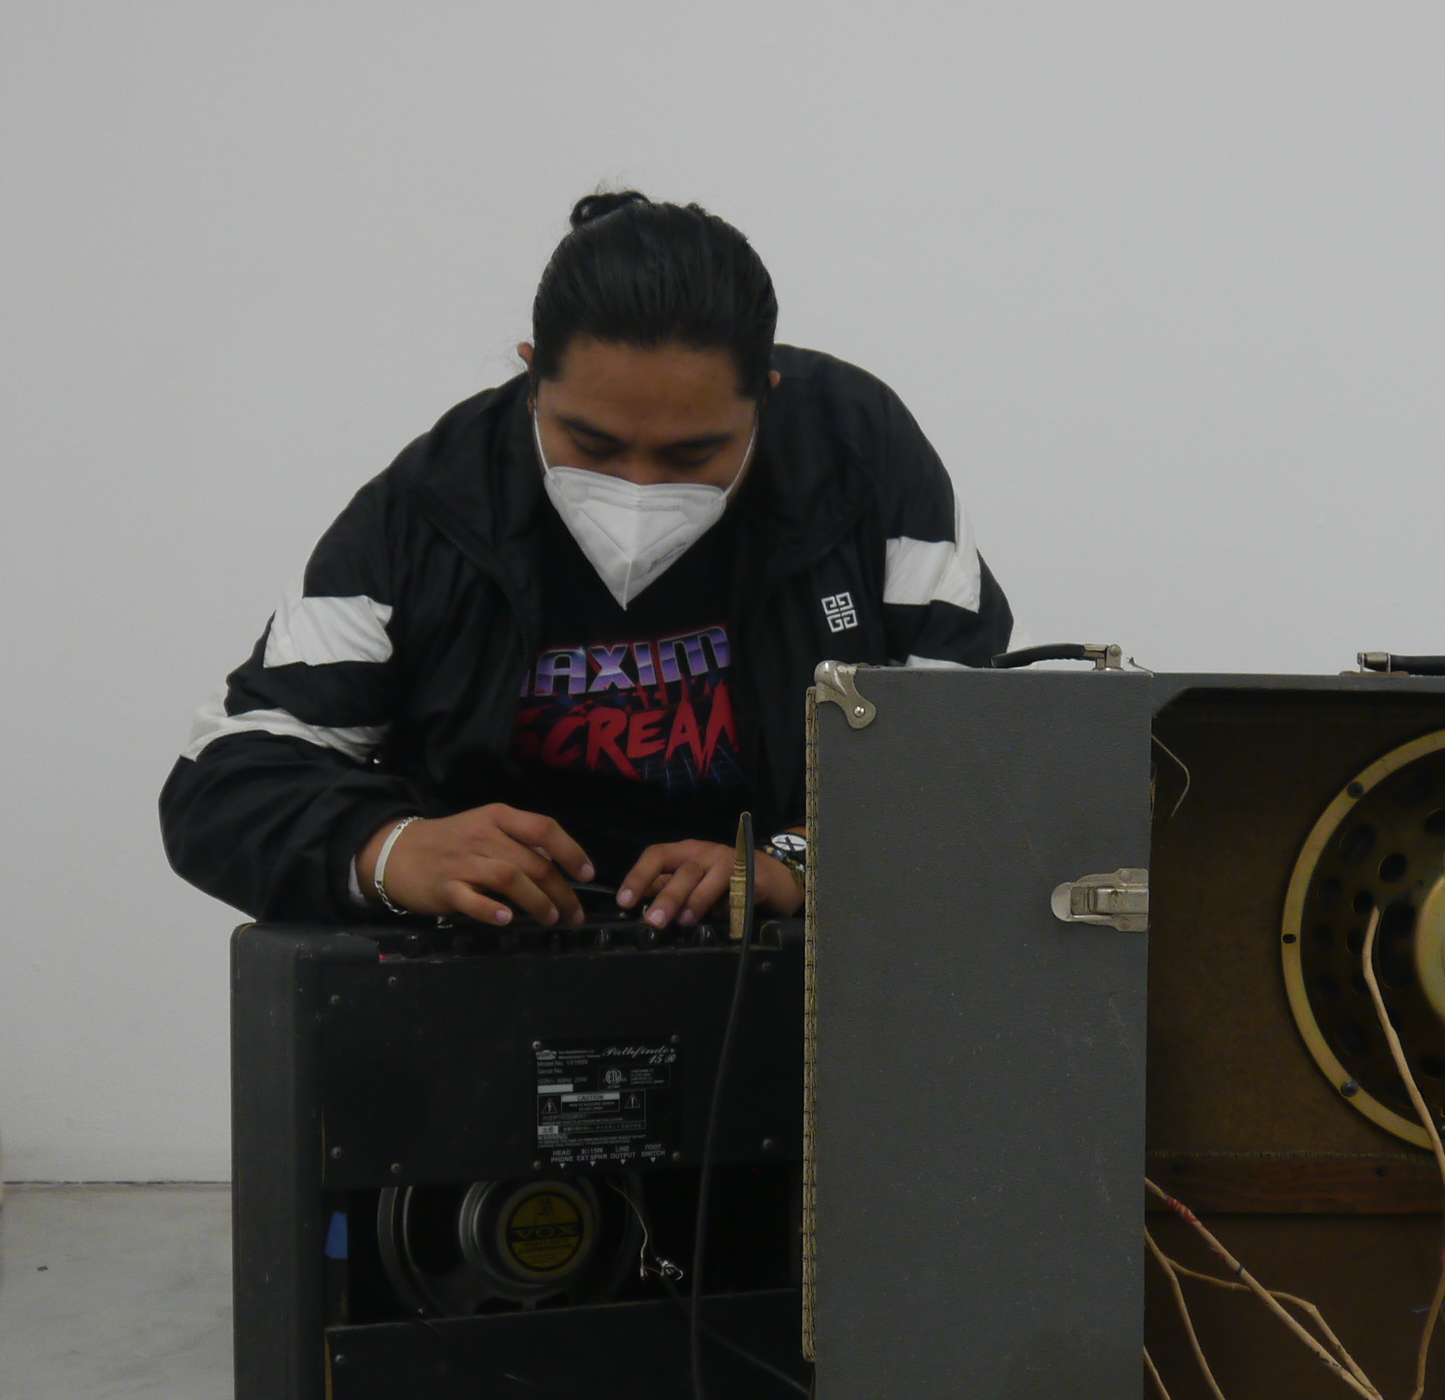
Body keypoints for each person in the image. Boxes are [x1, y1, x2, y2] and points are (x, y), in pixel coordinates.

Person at [161, 191, 1014, 927]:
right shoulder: (432, 508)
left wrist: (798, 861)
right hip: (495, 978)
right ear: (532, 378)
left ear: (767, 399)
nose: (636, 489)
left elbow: (971, 741)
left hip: (796, 985)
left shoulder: (856, 458)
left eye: (691, 455)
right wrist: (393, 851)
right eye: (593, 446)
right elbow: (225, 783)